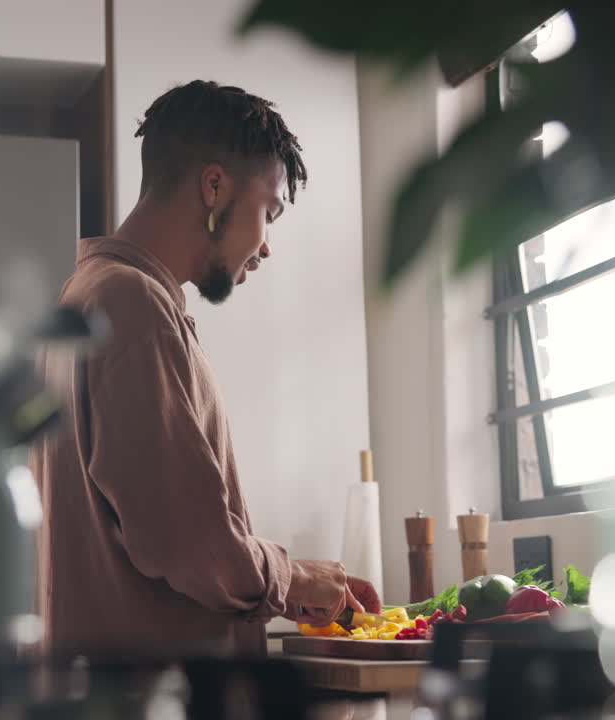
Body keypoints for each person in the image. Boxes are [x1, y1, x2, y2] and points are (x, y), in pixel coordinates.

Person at [30, 80, 379, 661]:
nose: (266, 247)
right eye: (268, 211)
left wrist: (288, 582)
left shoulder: (81, 299)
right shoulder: (133, 306)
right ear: (214, 186)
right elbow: (189, 545)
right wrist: (293, 579)